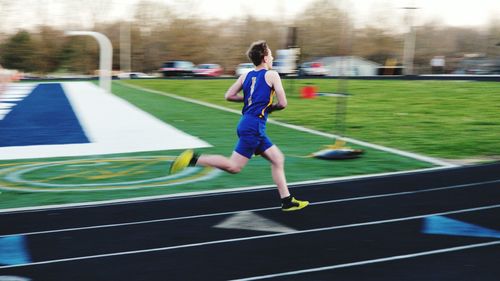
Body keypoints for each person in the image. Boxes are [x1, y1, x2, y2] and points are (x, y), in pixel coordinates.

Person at [170, 40, 309, 211]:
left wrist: (250, 101)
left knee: (277, 159)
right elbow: (283, 103)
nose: (272, 57)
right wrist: (268, 108)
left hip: (247, 123)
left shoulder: (245, 76)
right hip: (254, 127)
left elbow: (228, 95)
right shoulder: (272, 75)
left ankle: (287, 201)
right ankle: (192, 159)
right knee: (234, 167)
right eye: (271, 54)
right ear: (265, 58)